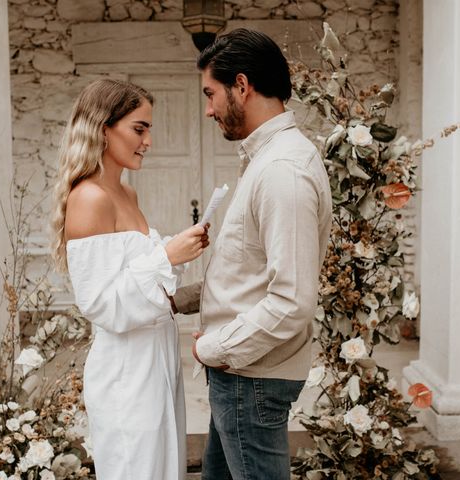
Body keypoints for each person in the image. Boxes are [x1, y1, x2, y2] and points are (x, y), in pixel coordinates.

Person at [171, 29, 333, 480]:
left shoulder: (283, 171)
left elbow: (291, 301)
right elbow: (252, 271)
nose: (207, 110)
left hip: (252, 379)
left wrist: (212, 348)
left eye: (210, 94)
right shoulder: (267, 161)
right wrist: (180, 299)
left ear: (242, 85)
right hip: (241, 375)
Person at [51, 79, 208, 480]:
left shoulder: (127, 194)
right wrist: (165, 256)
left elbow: (137, 277)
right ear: (104, 129)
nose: (149, 141)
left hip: (157, 358)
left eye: (148, 129)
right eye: (139, 128)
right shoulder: (90, 198)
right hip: (126, 368)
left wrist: (177, 251)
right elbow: (101, 305)